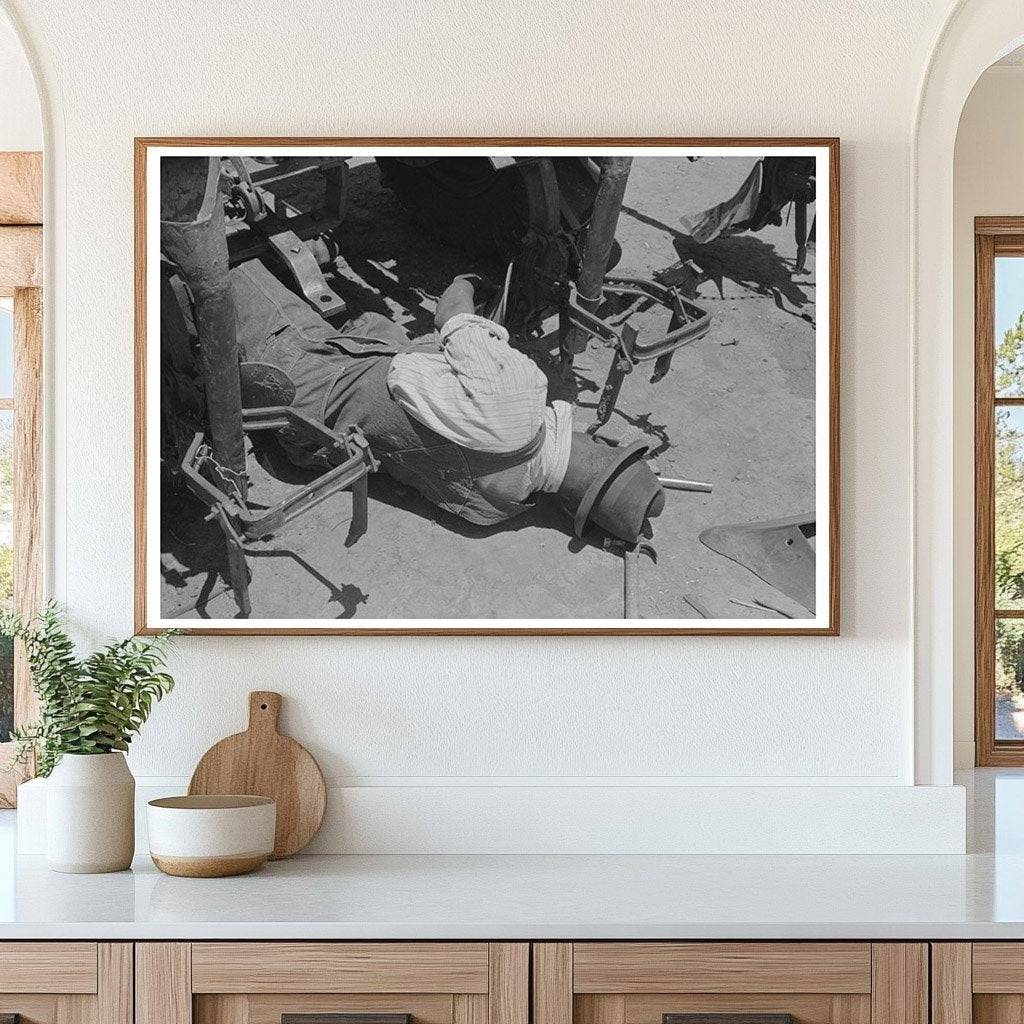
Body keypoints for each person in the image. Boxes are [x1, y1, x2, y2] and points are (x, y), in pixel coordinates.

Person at [231, 259, 664, 543]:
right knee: (381, 328)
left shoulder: (517, 395)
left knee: (230, 269)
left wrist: (466, 282)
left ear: (602, 450)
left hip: (304, 378)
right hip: (313, 444)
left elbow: (448, 312)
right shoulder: (493, 514)